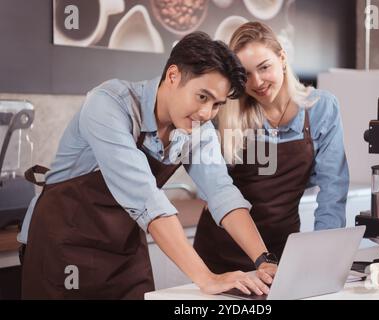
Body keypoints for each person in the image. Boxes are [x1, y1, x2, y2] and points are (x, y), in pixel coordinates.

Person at [19, 31, 276, 299]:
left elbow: (222, 192)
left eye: (217, 105)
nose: (206, 113)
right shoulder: (109, 104)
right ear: (173, 76)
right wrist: (207, 278)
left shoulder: (198, 128)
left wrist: (263, 259)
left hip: (123, 253)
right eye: (202, 97)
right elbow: (146, 198)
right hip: (62, 250)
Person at [194, 22, 349, 273]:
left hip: (281, 254)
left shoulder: (321, 109)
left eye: (264, 67)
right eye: (246, 74)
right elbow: (215, 188)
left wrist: (324, 255)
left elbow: (333, 190)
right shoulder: (223, 113)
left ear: (282, 58)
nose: (257, 82)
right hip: (220, 256)